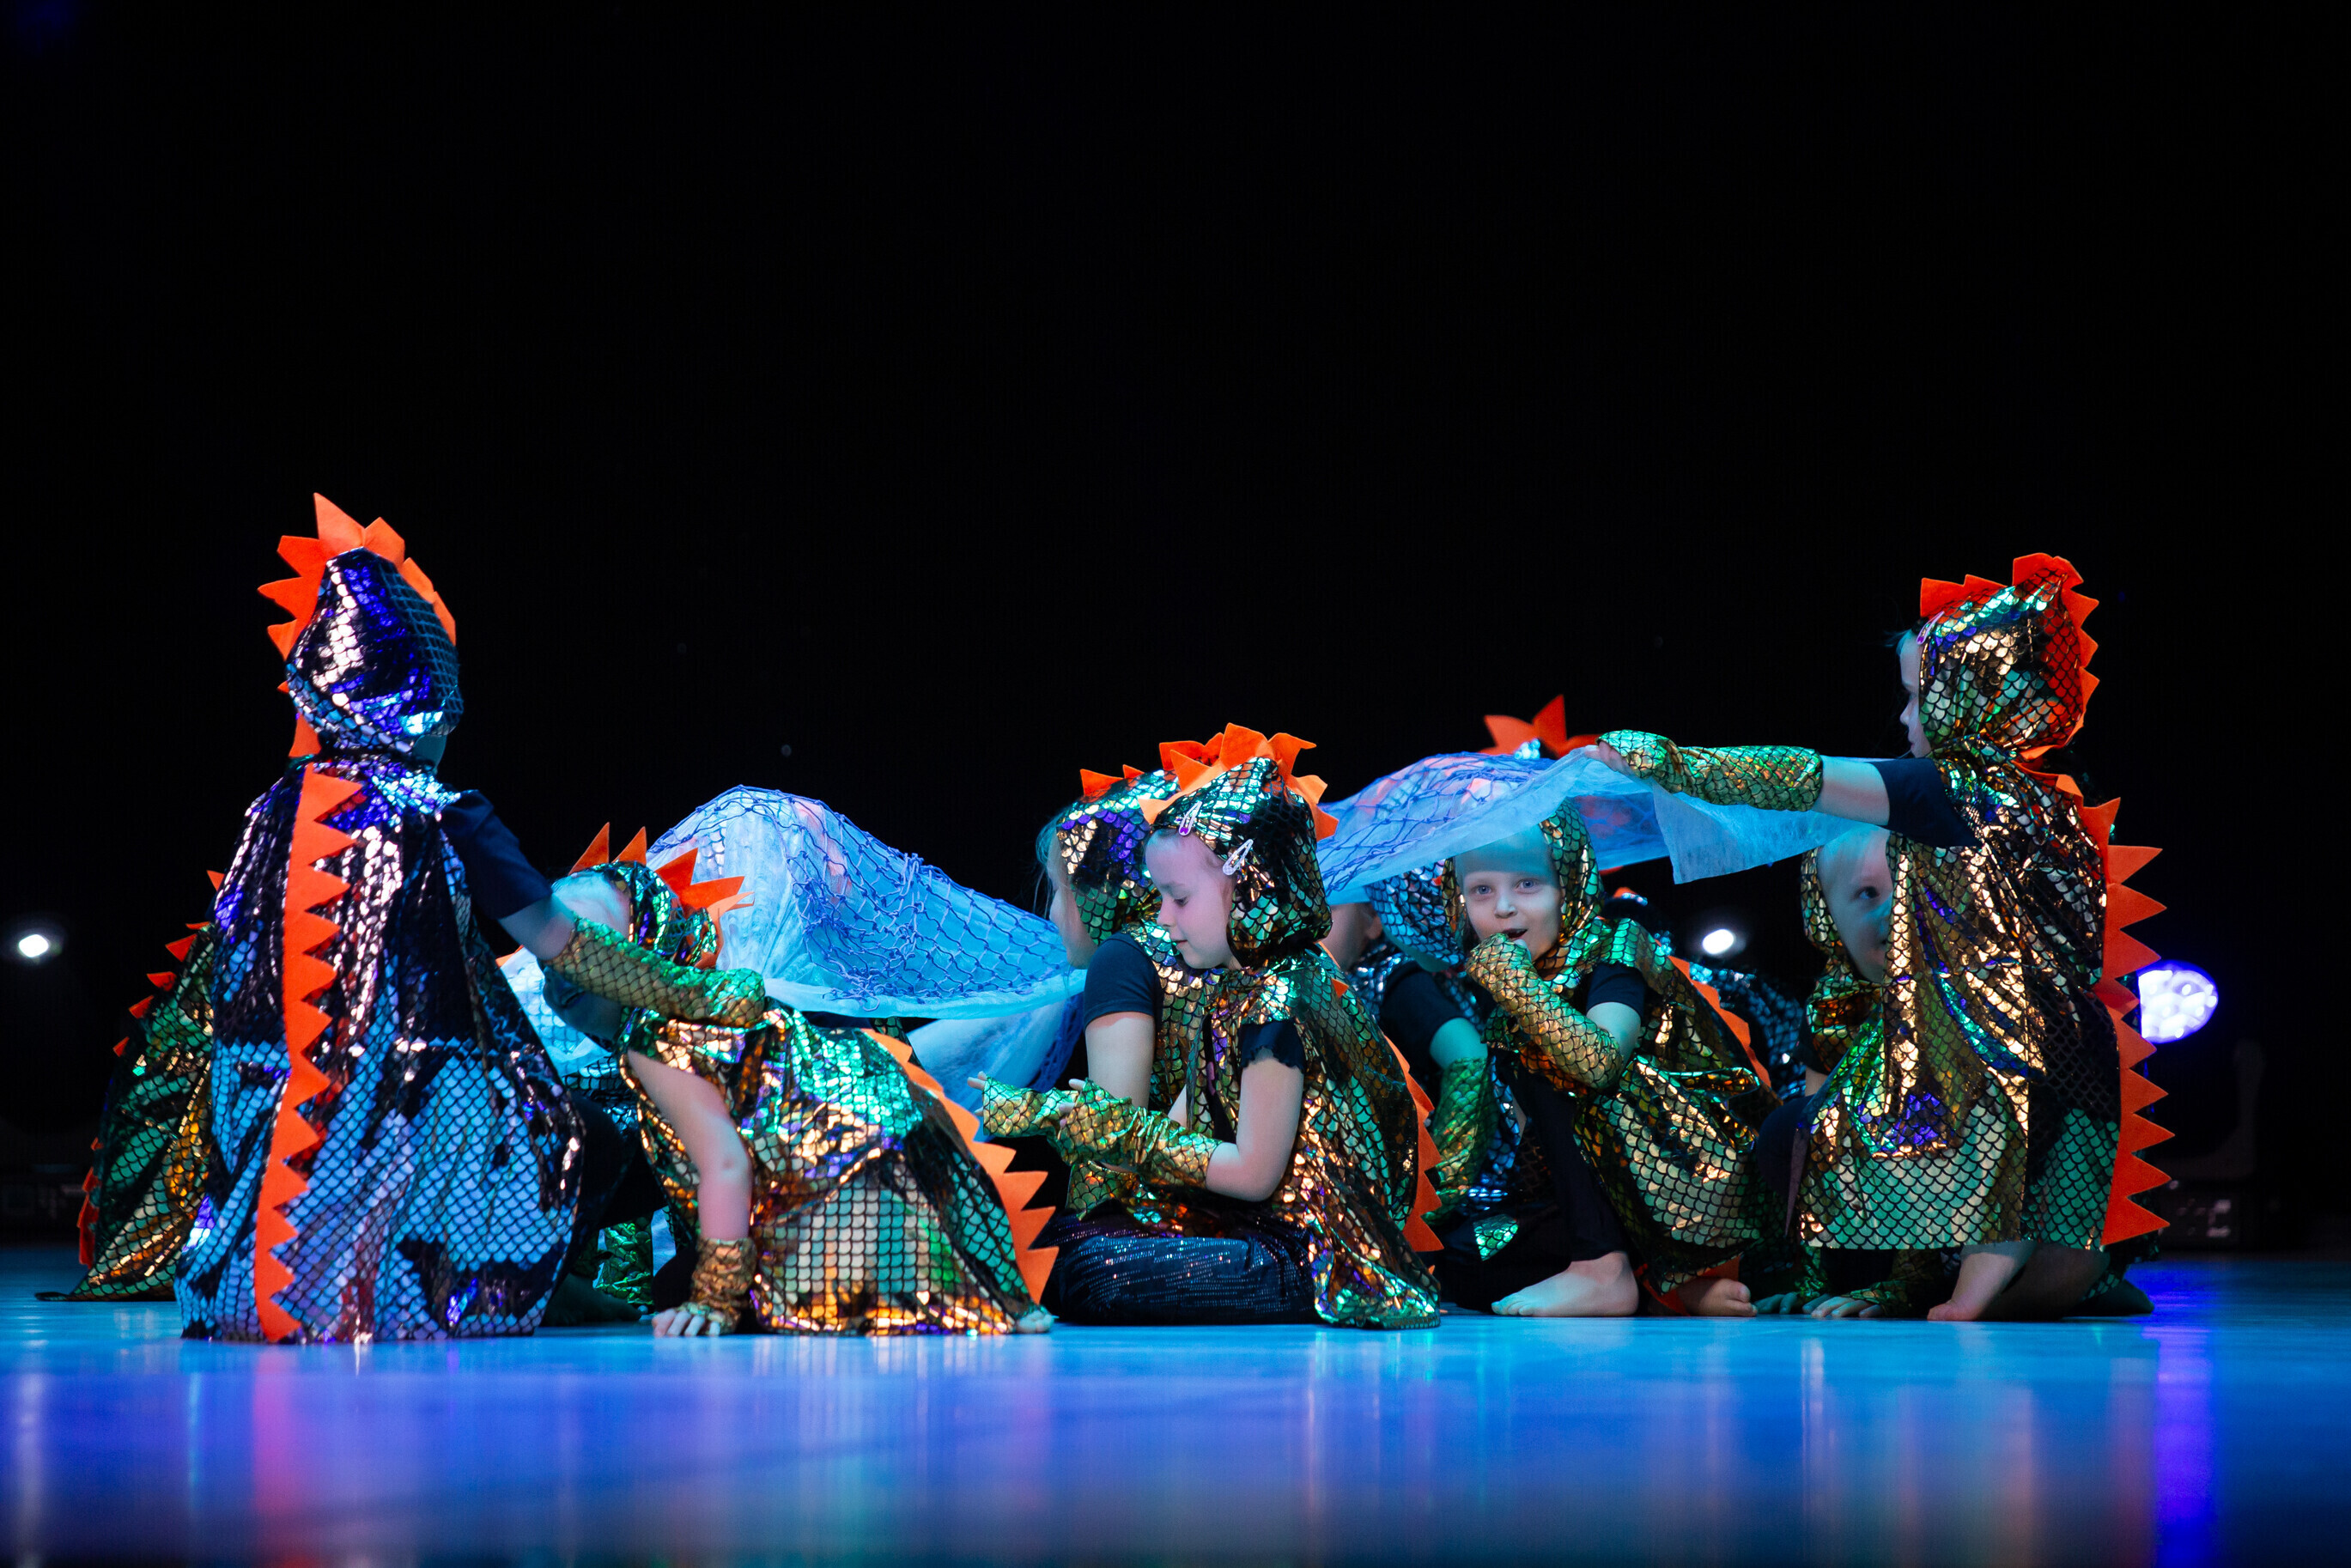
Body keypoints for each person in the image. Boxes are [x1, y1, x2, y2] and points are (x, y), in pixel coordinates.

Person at [1585, 554, 2167, 1320]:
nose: (1905, 721)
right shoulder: (2049, 801)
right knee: (2013, 1168)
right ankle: (2002, 1281)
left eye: (1919, 699)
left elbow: (1798, 776)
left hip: (1993, 1041)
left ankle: (1988, 1284)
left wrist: (1665, 760)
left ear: (1971, 697)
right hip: (2073, 1044)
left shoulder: (1948, 790)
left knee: (1933, 1139)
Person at [176, 496, 586, 1341]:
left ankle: (284, 1289)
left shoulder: (269, 813)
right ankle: (425, 1289)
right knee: (552, 1123)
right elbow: (558, 940)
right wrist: (686, 984)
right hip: (410, 1107)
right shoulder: (443, 809)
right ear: (426, 701)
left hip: (261, 1168)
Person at [978, 726, 1441, 1329]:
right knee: (1059, 1245)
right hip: (1253, 1231)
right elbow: (1179, 1134)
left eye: (1177, 898)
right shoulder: (1236, 990)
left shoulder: (1280, 1001)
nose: (1162, 918)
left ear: (1249, 887)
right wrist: (1059, 1118)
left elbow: (1253, 1174)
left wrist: (1122, 1131)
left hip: (1309, 1255)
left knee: (1088, 1269)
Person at [533, 842, 1054, 1335]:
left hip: (857, 1200)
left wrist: (714, 1297)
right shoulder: (709, 1003)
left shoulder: (657, 1038)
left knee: (682, 1286)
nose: (561, 973)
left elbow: (725, 1165)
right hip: (906, 1185)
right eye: (547, 961)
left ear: (641, 945)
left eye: (583, 949)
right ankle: (991, 1301)